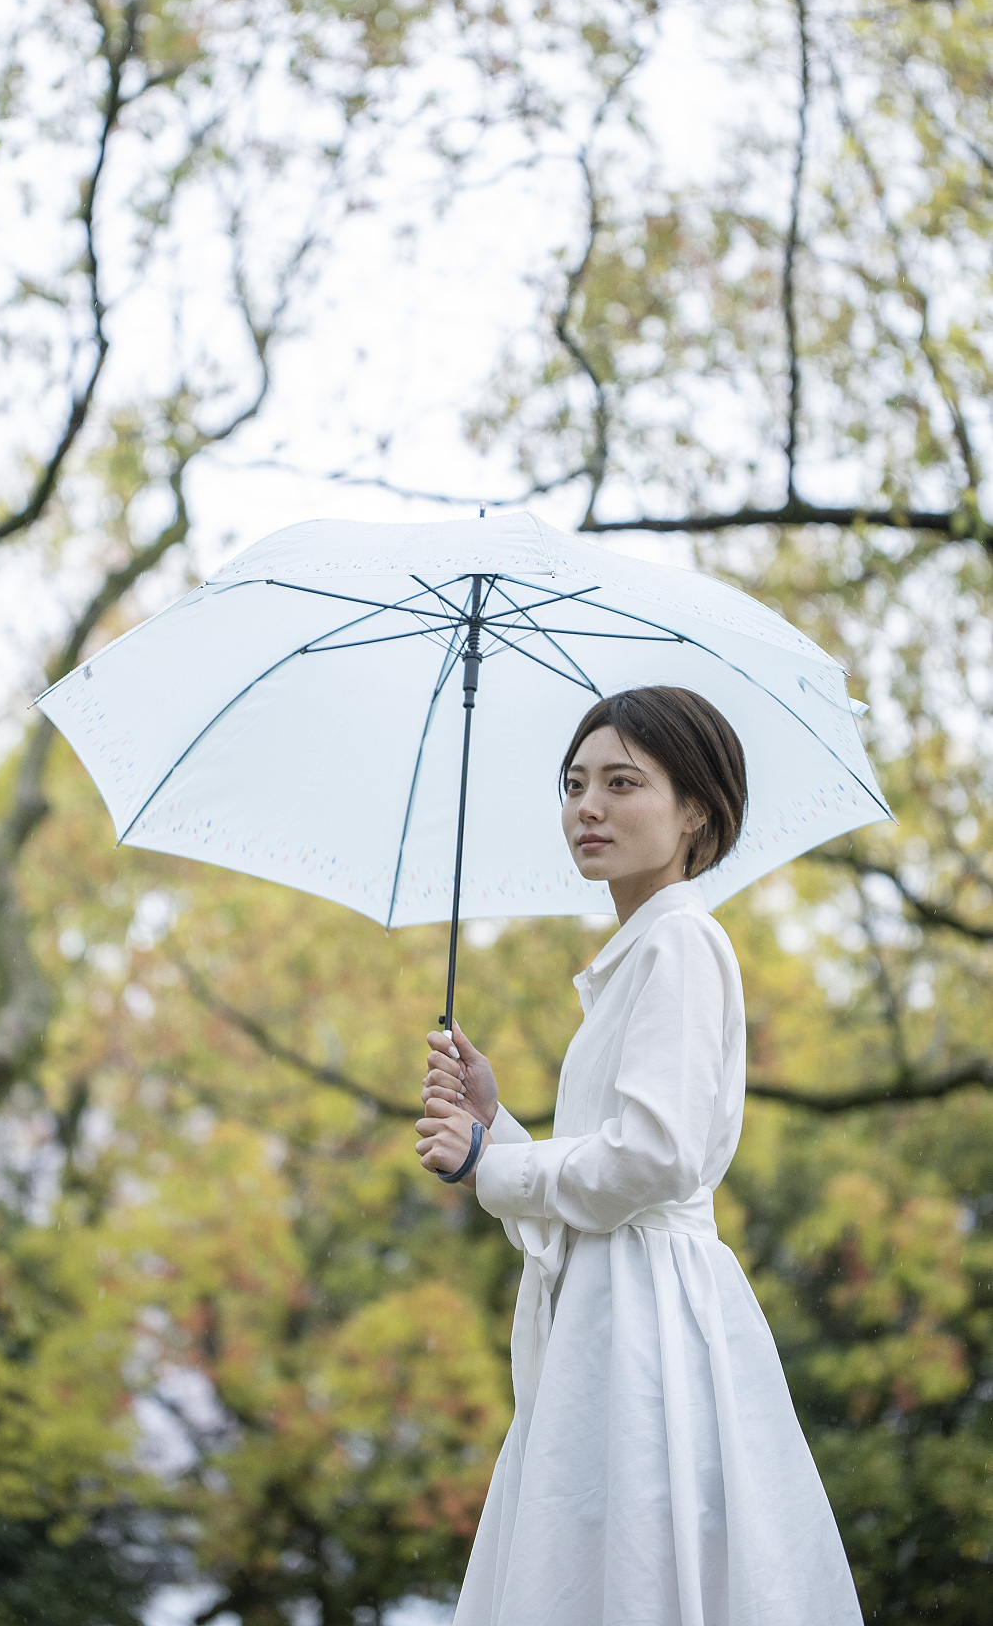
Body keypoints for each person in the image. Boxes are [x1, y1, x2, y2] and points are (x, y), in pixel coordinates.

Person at [415, 685, 861, 1626]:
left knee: (633, 1568)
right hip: (608, 1308)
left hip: (647, 1321)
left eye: (622, 782)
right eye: (574, 783)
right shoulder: (640, 952)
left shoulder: (681, 944)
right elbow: (607, 1167)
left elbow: (652, 1161)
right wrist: (497, 1129)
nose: (588, 806)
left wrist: (487, 1167)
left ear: (695, 808)